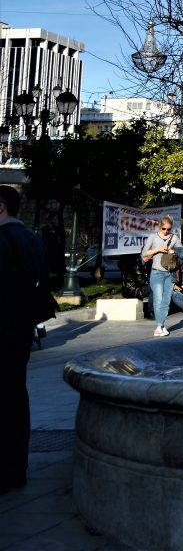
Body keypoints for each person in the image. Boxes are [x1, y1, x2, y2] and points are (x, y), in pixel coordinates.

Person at [0, 185, 55, 495]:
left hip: (3, 327)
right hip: (22, 330)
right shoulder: (33, 240)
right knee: (16, 396)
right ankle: (16, 467)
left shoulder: (2, 239)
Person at [141, 214, 183, 336]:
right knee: (158, 299)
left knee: (166, 300)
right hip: (157, 273)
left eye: (168, 229)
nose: (166, 231)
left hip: (170, 273)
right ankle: (159, 326)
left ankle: (160, 326)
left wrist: (173, 251)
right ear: (160, 226)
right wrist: (157, 249)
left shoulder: (174, 238)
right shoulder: (153, 237)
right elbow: (144, 254)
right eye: (163, 228)